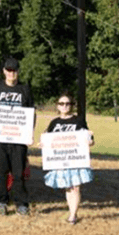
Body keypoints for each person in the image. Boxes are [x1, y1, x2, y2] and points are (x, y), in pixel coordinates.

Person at [0, 57, 35, 216]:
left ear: (18, 71)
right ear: (4, 71)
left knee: (19, 173)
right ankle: (2, 201)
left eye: (14, 70)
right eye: (9, 70)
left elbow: (31, 114)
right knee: (0, 173)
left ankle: (21, 203)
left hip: (18, 139)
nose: (12, 73)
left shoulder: (25, 90)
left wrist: (29, 133)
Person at [40, 94, 94, 225]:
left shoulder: (78, 121)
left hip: (76, 159)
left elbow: (89, 140)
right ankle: (71, 211)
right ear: (57, 106)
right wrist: (43, 144)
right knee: (68, 188)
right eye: (62, 103)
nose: (64, 106)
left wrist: (89, 141)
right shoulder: (54, 123)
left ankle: (73, 215)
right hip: (60, 160)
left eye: (67, 104)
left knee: (75, 187)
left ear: (71, 105)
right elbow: (48, 139)